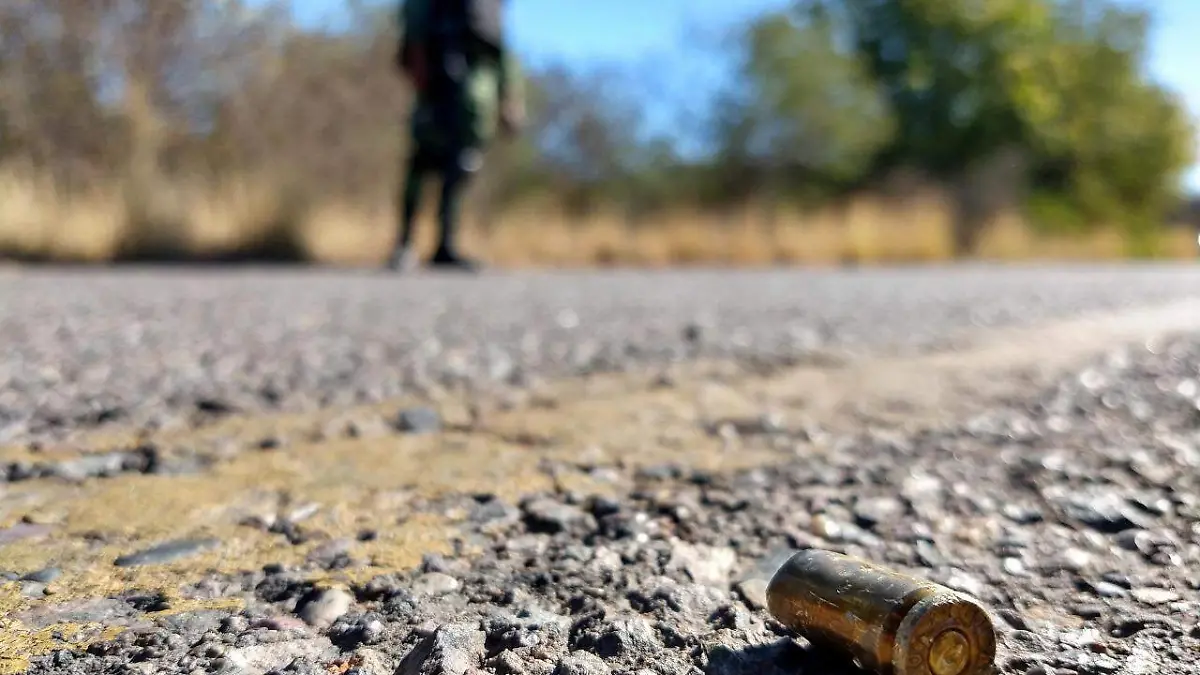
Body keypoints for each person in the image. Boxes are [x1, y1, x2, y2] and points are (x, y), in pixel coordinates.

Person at [389, 0, 524, 272]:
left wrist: (510, 98)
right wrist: (422, 76)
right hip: (438, 84)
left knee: (461, 166)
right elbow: (414, 35)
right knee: (422, 162)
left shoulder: (487, 8)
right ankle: (406, 243)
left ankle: (445, 245)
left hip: (475, 95)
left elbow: (501, 48)